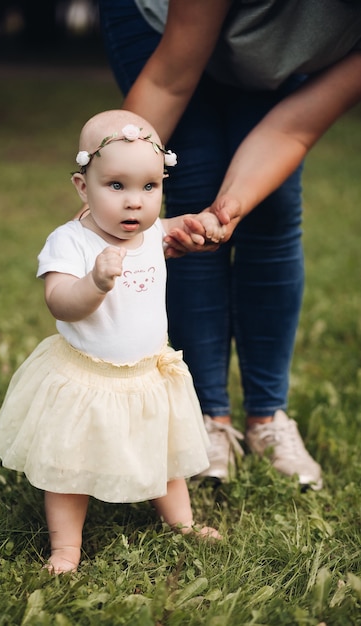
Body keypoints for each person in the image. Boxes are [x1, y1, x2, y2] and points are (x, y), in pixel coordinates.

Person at [98, 0, 361, 490]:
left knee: (272, 204)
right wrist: (105, 192)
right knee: (193, 179)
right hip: (163, 25)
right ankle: (204, 418)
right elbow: (169, 79)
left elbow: (292, 128)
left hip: (272, 56)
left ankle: (267, 418)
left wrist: (233, 204)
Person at [0, 109, 224, 574]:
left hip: (147, 373)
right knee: (68, 466)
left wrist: (201, 226)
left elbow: (184, 231)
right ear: (83, 186)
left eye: (149, 187)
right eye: (116, 186)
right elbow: (60, 302)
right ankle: (66, 547)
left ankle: (182, 523)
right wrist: (94, 283)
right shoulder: (70, 243)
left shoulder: (154, 233)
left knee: (165, 454)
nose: (134, 202)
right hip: (86, 377)